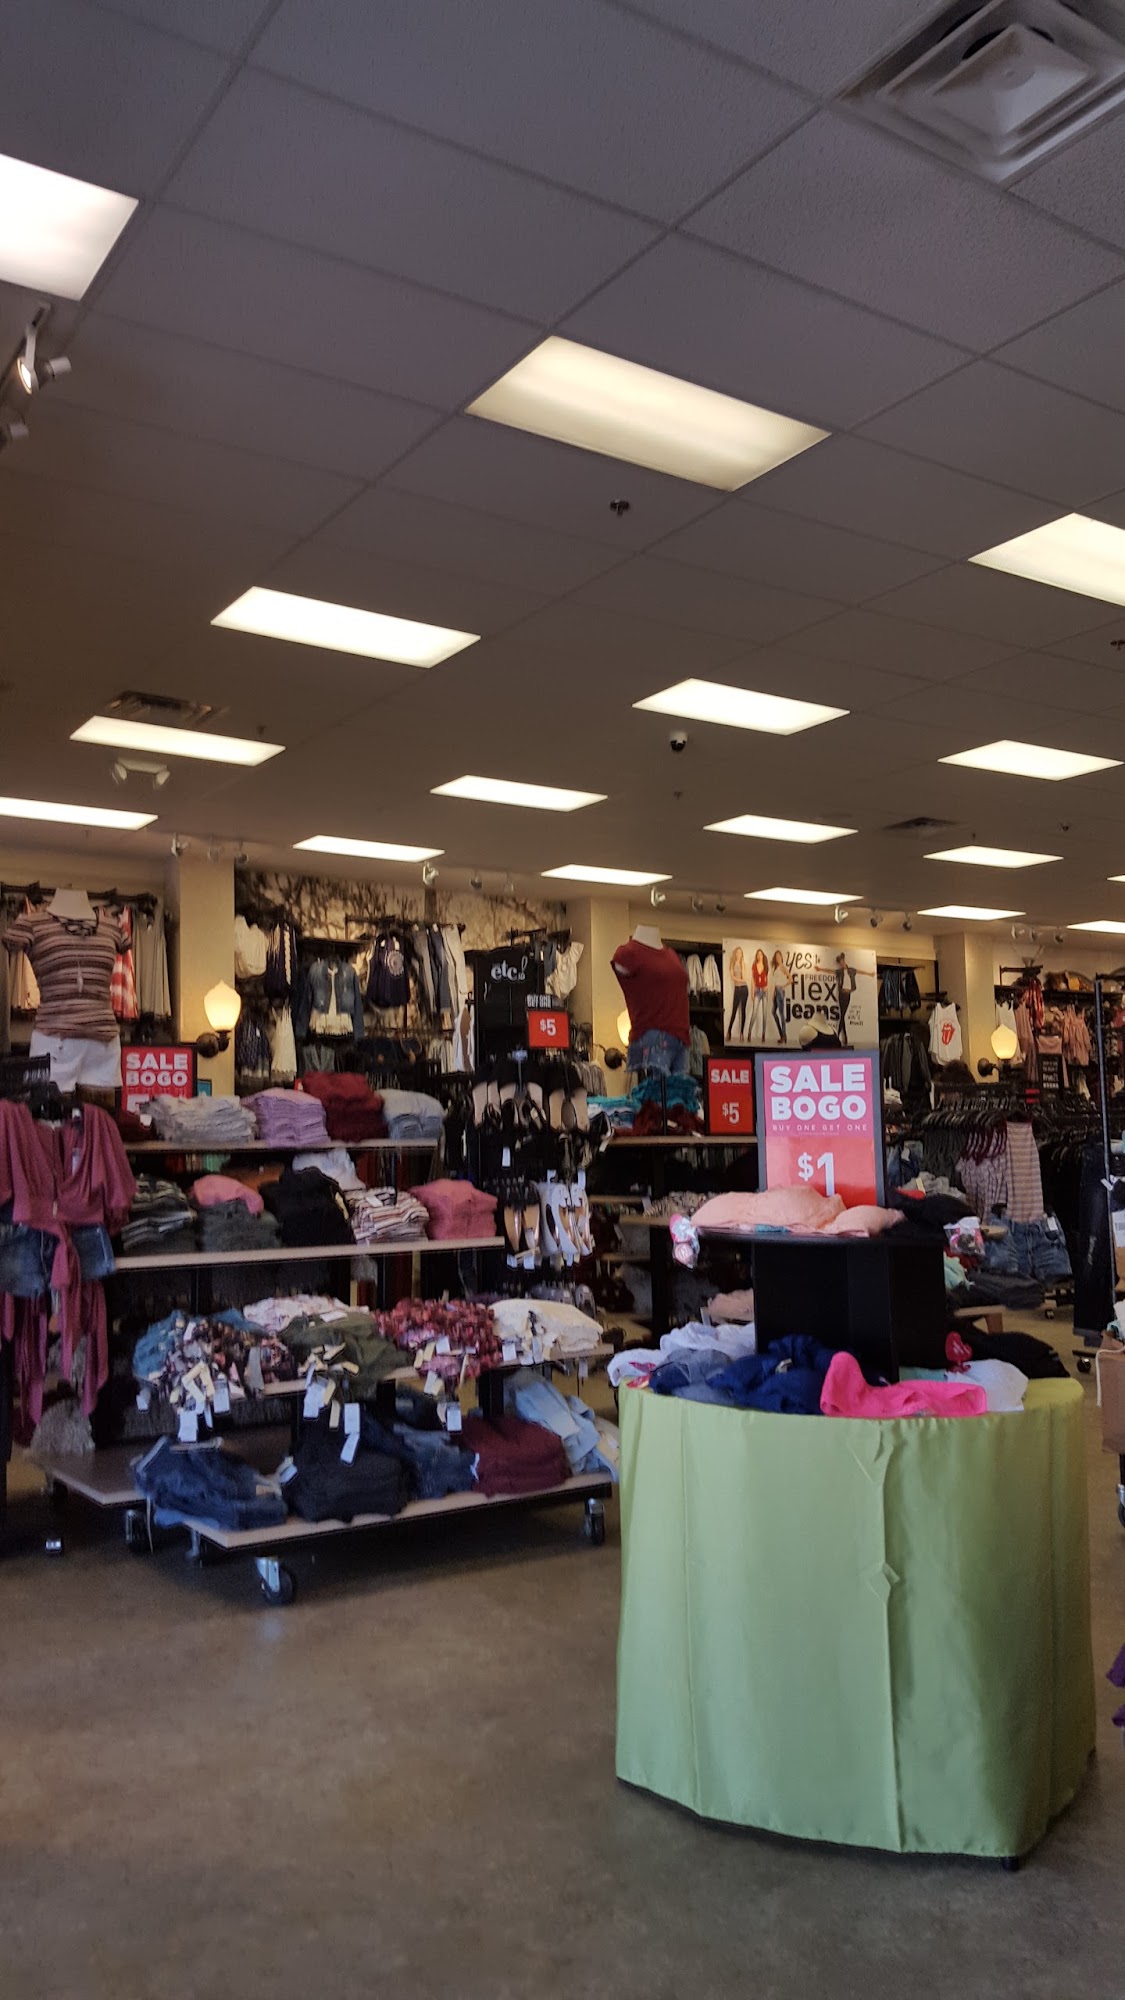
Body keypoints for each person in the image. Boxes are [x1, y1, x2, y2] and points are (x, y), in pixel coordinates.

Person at [833, 952, 857, 1046]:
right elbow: (829, 971)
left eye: (842, 961)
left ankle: (839, 1036)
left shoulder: (851, 970)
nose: (841, 964)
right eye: (840, 963)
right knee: (842, 1014)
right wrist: (820, 969)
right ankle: (843, 1037)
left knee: (842, 1015)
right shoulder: (840, 971)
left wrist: (870, 974)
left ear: (844, 961)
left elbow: (861, 972)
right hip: (842, 993)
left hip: (847, 994)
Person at [768, 949, 791, 1043]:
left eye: (779, 956)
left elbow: (791, 979)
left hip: (780, 991)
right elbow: (774, 981)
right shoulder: (776, 967)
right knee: (773, 1012)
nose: (778, 958)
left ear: (781, 957)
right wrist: (773, 992)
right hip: (776, 990)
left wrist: (783, 987)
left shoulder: (783, 967)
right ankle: (782, 1034)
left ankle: (783, 1035)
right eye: (776, 956)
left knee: (781, 1014)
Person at [726, 946, 749, 1040]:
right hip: (737, 988)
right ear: (735, 953)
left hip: (744, 989)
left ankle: (741, 1033)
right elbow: (733, 977)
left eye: (740, 953)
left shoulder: (742, 963)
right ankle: (729, 1032)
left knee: (743, 1010)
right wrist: (738, 979)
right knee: (734, 1011)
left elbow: (744, 978)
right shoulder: (732, 963)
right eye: (737, 952)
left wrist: (737, 978)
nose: (739, 954)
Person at [748, 948, 769, 1042]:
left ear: (763, 956)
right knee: (754, 1012)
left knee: (764, 1014)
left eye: (761, 954)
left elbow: (767, 978)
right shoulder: (754, 966)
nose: (759, 956)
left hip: (764, 991)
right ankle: (749, 1032)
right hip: (757, 990)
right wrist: (752, 992)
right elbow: (752, 980)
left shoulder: (766, 965)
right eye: (758, 954)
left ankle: (763, 1034)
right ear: (756, 956)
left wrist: (767, 986)